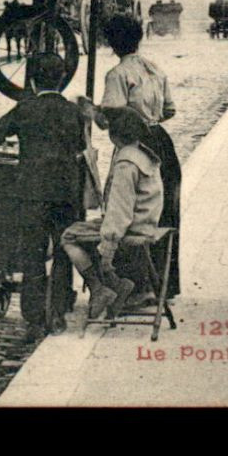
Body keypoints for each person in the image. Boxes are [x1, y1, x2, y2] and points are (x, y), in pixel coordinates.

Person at [0, 52, 84, 342]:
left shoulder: (25, 109)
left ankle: (35, 319)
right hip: (66, 193)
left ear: (31, 80)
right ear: (62, 78)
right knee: (65, 250)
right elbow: (79, 144)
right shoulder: (73, 112)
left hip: (32, 193)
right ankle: (58, 310)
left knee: (33, 255)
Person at [78, 13, 182, 296]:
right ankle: (161, 286)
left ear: (112, 43)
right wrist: (150, 117)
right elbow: (170, 110)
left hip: (136, 146)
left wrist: (90, 111)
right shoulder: (155, 69)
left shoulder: (117, 75)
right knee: (161, 213)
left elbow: (114, 118)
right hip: (162, 143)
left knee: (129, 211)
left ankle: (135, 287)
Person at [60, 107, 164, 321]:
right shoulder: (143, 154)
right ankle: (115, 284)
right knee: (87, 229)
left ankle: (99, 287)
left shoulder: (126, 163)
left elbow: (120, 211)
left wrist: (108, 245)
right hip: (146, 221)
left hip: (132, 227)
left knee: (68, 236)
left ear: (113, 135)